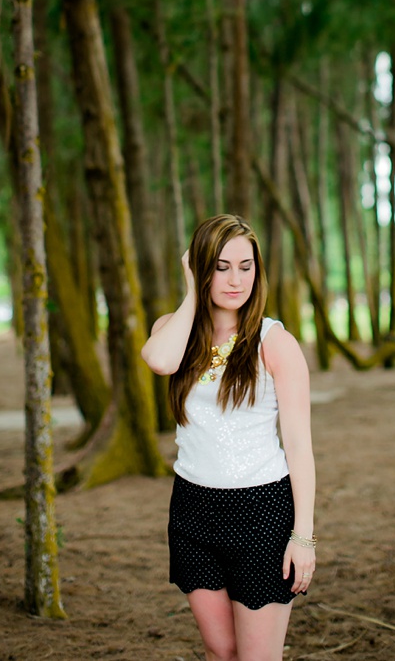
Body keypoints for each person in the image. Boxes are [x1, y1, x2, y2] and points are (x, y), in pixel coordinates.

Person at [141, 213, 316, 660]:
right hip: (192, 510)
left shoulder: (275, 342)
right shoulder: (177, 332)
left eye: (246, 266)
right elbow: (159, 361)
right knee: (222, 652)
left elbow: (298, 445)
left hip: (262, 512)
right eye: (220, 267)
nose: (236, 280)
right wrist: (189, 294)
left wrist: (304, 536)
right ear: (201, 270)